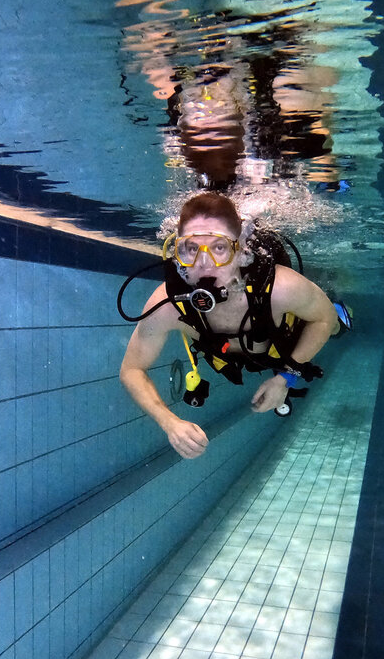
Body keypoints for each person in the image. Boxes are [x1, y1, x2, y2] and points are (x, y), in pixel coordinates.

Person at [120, 191, 351, 459]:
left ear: (240, 251)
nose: (204, 264)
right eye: (191, 249)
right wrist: (169, 423)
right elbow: (131, 369)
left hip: (284, 341)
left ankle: (339, 308)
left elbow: (323, 319)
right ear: (178, 252)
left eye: (219, 248)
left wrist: (286, 378)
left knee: (334, 324)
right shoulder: (168, 304)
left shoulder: (281, 288)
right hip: (227, 355)